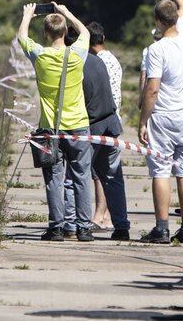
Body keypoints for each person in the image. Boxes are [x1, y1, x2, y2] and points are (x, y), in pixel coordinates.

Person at [18, 2, 94, 242]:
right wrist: (67, 12)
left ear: (45, 34)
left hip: (52, 128)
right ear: (64, 32)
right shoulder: (78, 53)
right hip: (79, 125)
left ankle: (57, 227)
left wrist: (27, 15)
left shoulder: (40, 55)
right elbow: (86, 32)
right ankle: (83, 227)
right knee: (81, 177)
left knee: (53, 177)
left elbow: (21, 37)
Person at [138, 0, 183, 244]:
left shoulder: (156, 49)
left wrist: (142, 120)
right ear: (175, 18)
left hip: (163, 115)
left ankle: (162, 227)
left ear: (158, 22)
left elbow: (152, 88)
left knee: (161, 170)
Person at [62, 33, 130, 241]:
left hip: (92, 126)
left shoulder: (75, 62)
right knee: (113, 177)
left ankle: (71, 224)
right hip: (110, 123)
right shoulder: (97, 60)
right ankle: (121, 226)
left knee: (74, 176)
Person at [87, 21, 122, 230]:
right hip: (114, 118)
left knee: (97, 171)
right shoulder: (113, 59)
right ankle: (108, 215)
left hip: (101, 119)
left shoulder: (95, 62)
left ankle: (100, 214)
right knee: (109, 171)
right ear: (104, 38)